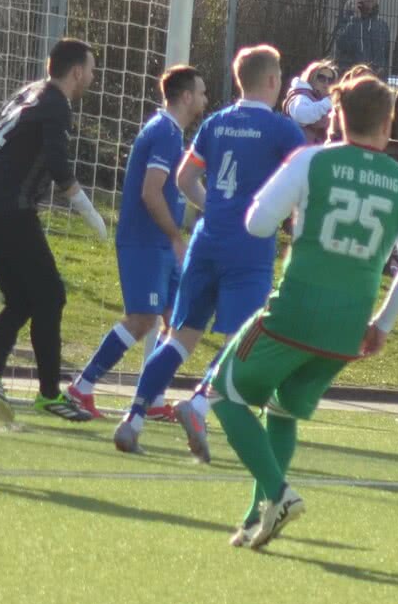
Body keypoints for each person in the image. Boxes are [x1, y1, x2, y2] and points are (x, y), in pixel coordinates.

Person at [208, 73, 398, 549]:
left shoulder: (311, 160)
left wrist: (297, 214)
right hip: (349, 326)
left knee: (223, 395)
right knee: (282, 410)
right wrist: (384, 324)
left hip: (294, 309)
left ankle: (278, 492)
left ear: (336, 115)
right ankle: (257, 516)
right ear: (389, 120)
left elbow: (256, 222)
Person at [116, 44, 308, 459]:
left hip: (207, 238)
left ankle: (133, 419)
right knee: (242, 339)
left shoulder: (216, 122)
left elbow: (185, 179)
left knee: (179, 337)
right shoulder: (282, 130)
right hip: (249, 245)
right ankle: (199, 403)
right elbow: (303, 187)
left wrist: (215, 206)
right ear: (273, 81)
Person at [0, 38, 113, 426]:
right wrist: (90, 213)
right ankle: (48, 394)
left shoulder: (27, 92)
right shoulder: (55, 104)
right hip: (8, 211)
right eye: (92, 70)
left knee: (23, 299)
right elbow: (61, 167)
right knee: (51, 295)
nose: (92, 78)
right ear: (76, 71)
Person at [61, 64, 208, 419]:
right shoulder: (163, 133)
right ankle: (82, 387)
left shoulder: (172, 134)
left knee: (177, 318)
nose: (205, 99)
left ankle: (153, 400)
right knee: (142, 318)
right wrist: (175, 236)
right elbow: (150, 192)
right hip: (145, 241)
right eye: (202, 92)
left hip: (162, 243)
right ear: (186, 96)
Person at [332, 0, 392, 73]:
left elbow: (385, 60)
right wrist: (355, 19)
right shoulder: (345, 19)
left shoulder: (382, 26)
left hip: (374, 82)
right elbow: (342, 44)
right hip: (350, 79)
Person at [283, 59, 342, 134]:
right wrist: (328, 101)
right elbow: (301, 116)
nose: (326, 83)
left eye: (330, 80)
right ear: (311, 77)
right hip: (299, 145)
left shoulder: (322, 100)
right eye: (321, 78)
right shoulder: (300, 96)